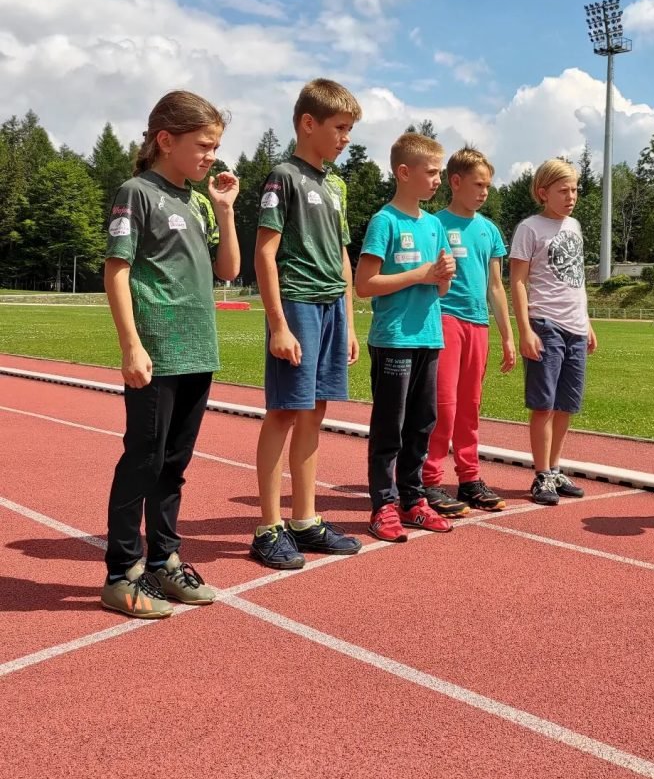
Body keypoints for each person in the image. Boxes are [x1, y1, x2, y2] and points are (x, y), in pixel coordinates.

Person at [101, 90, 240, 619]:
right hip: (157, 350)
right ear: (165, 140)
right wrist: (131, 344)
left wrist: (225, 210)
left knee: (174, 465)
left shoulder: (199, 202)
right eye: (203, 145)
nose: (212, 156)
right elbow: (117, 270)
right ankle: (121, 574)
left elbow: (228, 270)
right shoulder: (136, 192)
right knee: (143, 460)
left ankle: (163, 560)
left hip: (199, 348)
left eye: (216, 146)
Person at [249, 78, 363, 569]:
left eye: (350, 129)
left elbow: (342, 256)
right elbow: (265, 253)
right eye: (340, 128)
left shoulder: (336, 184)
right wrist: (278, 324)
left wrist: (350, 322)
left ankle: (305, 519)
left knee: (315, 412)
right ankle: (268, 527)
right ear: (308, 124)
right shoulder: (283, 177)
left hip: (333, 305)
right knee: (284, 412)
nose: (346, 138)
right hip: (297, 303)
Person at [355, 132, 456, 542]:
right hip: (394, 338)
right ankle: (383, 504)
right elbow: (364, 284)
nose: (438, 180)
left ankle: (413, 500)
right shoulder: (385, 221)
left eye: (439, 172)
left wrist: (443, 276)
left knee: (421, 424)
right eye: (431, 172)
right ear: (403, 172)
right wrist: (422, 274)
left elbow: (441, 288)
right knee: (390, 427)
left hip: (429, 337)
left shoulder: (434, 225)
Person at [422, 147, 516, 516]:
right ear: (456, 182)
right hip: (444, 319)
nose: (484, 192)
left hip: (478, 325)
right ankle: (429, 479)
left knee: (470, 407)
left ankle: (469, 478)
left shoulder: (489, 230)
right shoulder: (434, 224)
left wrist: (507, 335)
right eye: (478, 185)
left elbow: (496, 287)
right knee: (443, 407)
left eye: (488, 186)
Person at [509, 159, 597, 506]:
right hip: (545, 324)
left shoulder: (574, 225)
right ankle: (542, 473)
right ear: (543, 192)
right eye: (563, 191)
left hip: (576, 326)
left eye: (575, 190)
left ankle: (556, 468)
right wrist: (525, 330)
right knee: (543, 405)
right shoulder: (529, 228)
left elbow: (577, 279)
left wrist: (587, 321)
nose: (571, 196)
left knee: (566, 405)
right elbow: (517, 281)